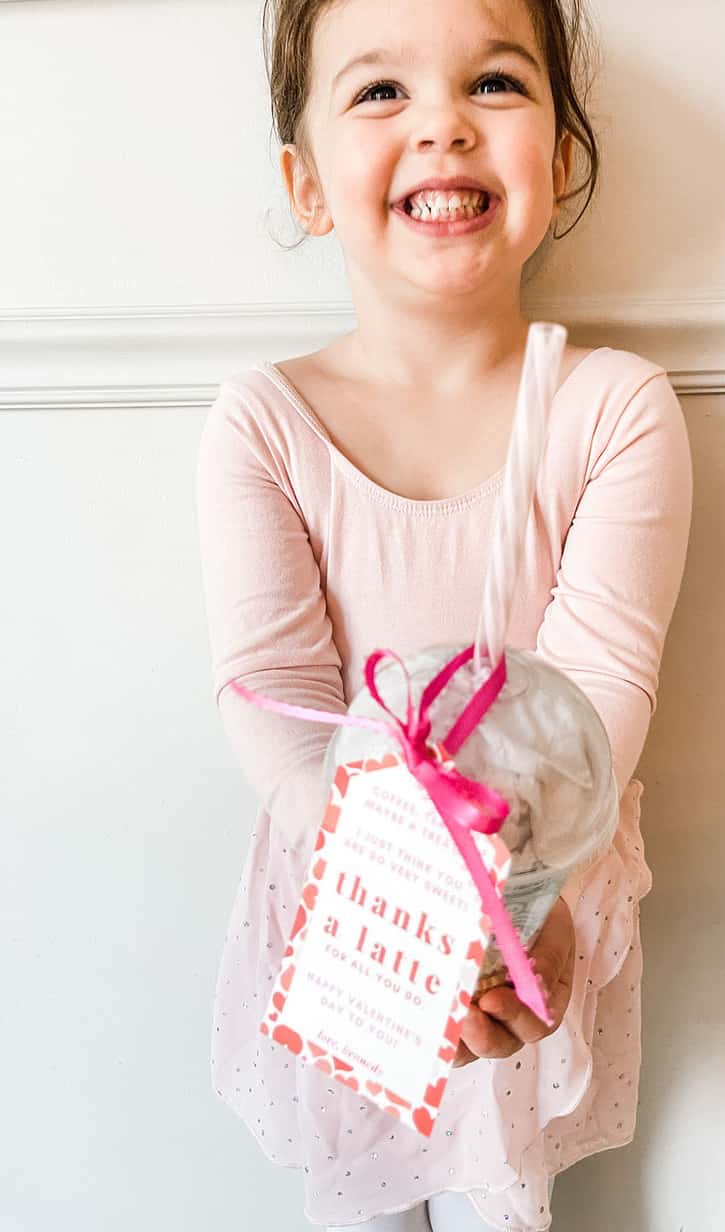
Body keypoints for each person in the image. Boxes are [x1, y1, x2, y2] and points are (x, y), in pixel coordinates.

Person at [194, 0, 693, 1228]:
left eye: (495, 84)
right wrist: (409, 902)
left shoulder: (613, 410)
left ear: (562, 157)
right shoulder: (263, 423)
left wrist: (516, 906)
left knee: (501, 1198)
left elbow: (601, 687)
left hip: (533, 905)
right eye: (381, 93)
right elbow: (271, 697)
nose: (443, 129)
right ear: (306, 183)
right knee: (361, 1203)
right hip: (343, 889)